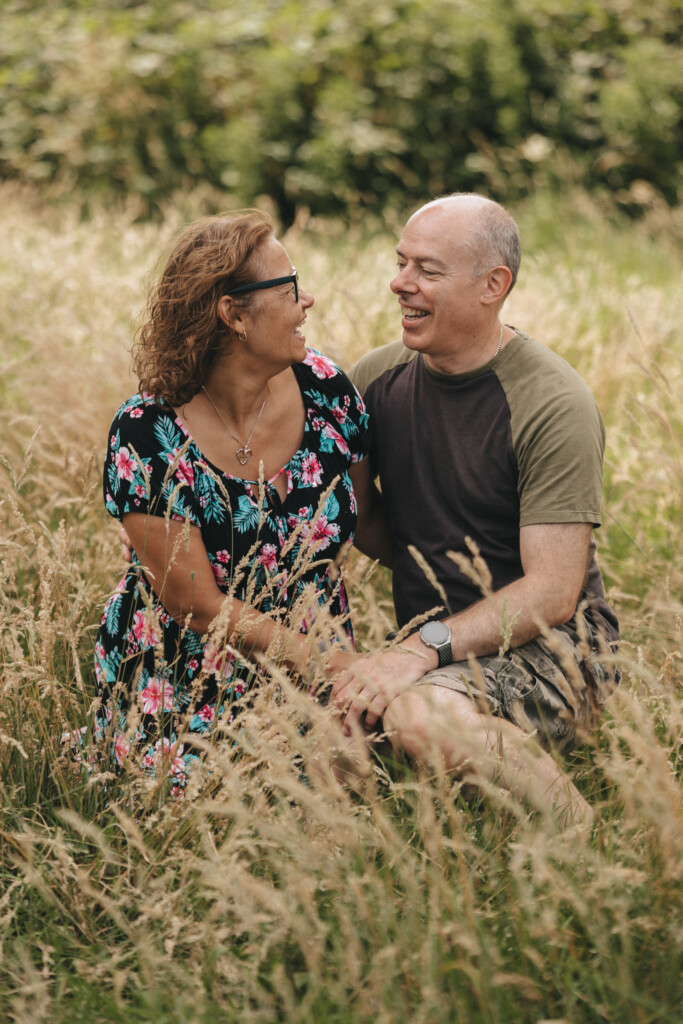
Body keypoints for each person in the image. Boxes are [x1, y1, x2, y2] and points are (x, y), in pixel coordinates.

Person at [331, 193, 620, 828]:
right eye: (401, 262)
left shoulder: (553, 402)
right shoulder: (374, 381)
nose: (399, 283)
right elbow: (372, 525)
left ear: (493, 285)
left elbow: (552, 592)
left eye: (427, 270)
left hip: (556, 652)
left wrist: (420, 650)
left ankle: (583, 833)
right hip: (446, 652)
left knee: (417, 715)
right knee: (316, 722)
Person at [94, 210, 369, 791]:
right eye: (290, 287)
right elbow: (196, 606)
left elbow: (366, 519)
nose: (308, 300)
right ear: (234, 313)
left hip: (315, 646)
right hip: (187, 664)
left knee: (348, 788)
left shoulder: (327, 389)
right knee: (209, 803)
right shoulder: (146, 433)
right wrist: (329, 662)